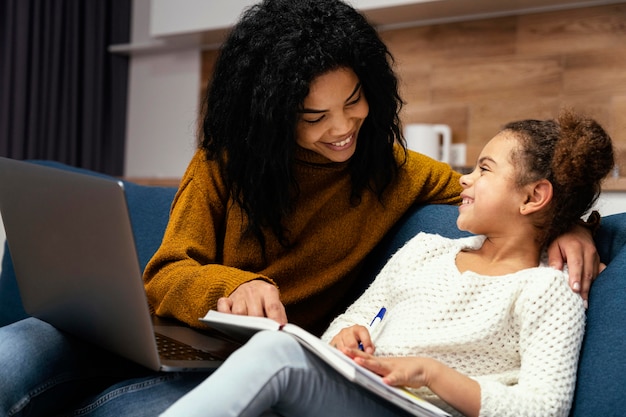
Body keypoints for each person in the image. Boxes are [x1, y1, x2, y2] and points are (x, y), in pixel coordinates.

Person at [0, 0, 601, 415]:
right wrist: (234, 286)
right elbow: (165, 273)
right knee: (21, 345)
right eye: (314, 116)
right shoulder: (223, 165)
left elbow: (504, 196)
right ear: (272, 114)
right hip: (165, 337)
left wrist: (571, 221)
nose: (342, 130)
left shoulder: (392, 172)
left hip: (238, 369)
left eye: (355, 102)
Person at [160, 109, 614, 417]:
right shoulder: (425, 251)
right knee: (280, 352)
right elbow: (359, 313)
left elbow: (542, 408)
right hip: (363, 390)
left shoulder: (549, 288)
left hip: (419, 409)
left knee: (277, 352)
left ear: (534, 197)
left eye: (484, 168)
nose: (464, 179)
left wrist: (431, 374)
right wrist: (347, 333)